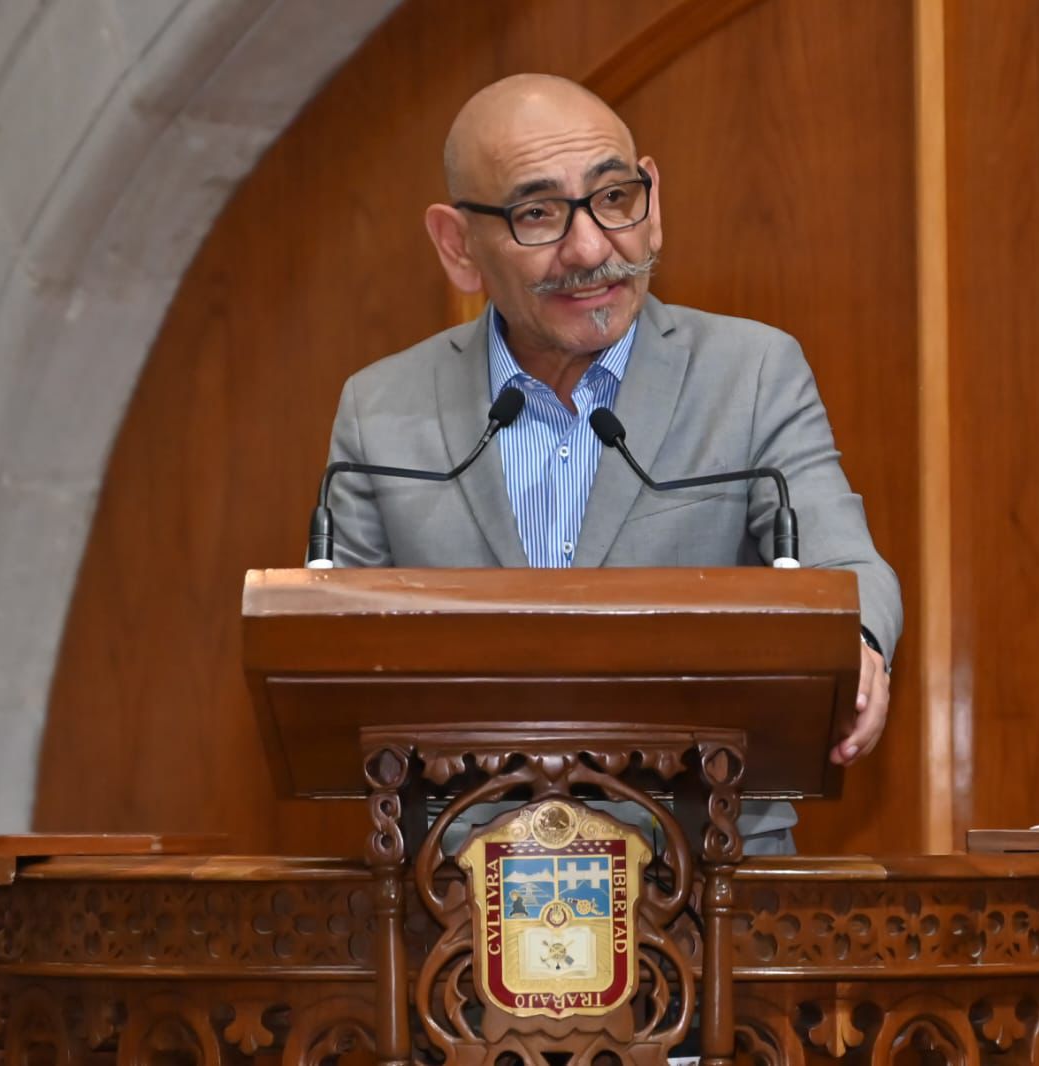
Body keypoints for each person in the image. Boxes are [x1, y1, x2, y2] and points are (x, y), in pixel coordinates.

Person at [322, 75, 902, 846]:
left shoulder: (752, 373)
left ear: (651, 207)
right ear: (458, 245)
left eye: (614, 199)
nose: (591, 248)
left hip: (709, 864)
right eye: (537, 214)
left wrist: (859, 643)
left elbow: (844, 563)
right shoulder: (381, 409)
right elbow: (329, 648)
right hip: (456, 880)